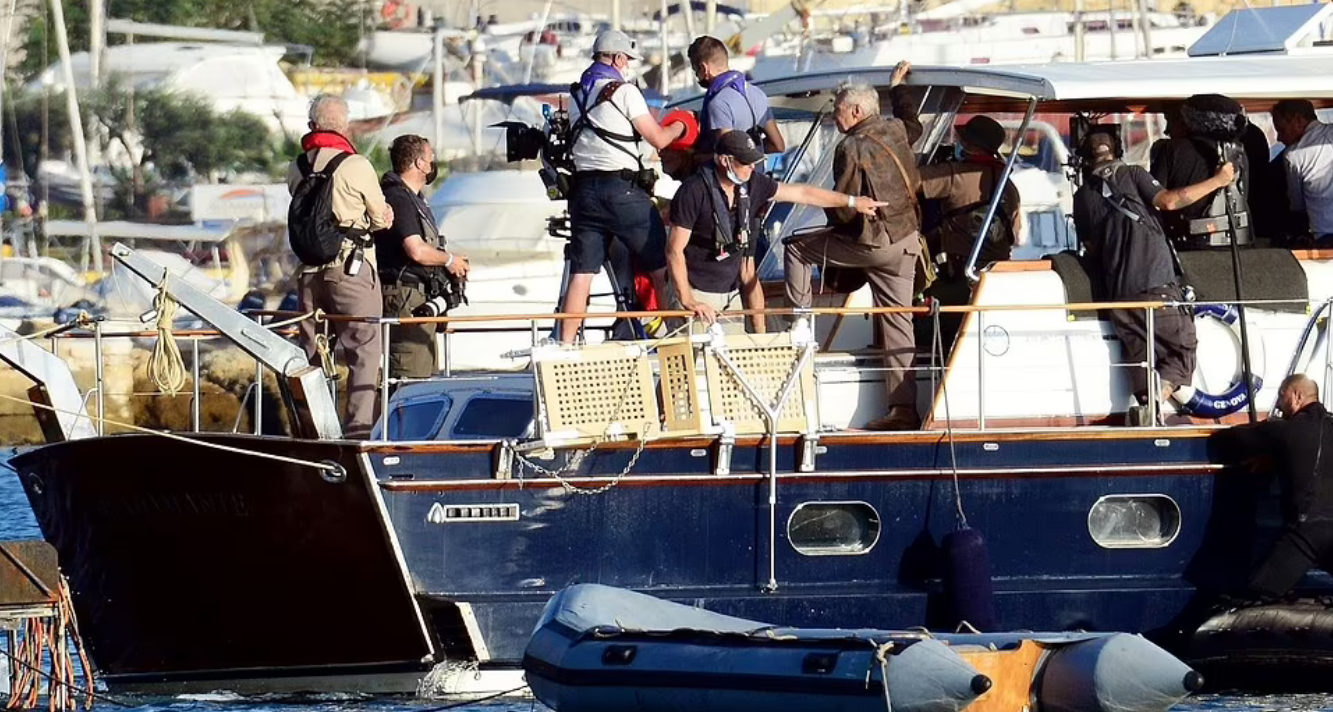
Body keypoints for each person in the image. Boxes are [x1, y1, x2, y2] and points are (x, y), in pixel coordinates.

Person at [783, 61, 923, 431]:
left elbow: (844, 207)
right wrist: (898, 88)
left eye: (838, 110)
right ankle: (904, 410)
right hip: (907, 240)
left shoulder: (850, 147)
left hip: (874, 243)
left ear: (857, 111)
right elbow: (914, 124)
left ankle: (800, 325)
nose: (834, 116)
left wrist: (835, 230)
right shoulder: (895, 129)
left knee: (795, 248)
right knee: (898, 322)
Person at [1072, 128, 1236, 427]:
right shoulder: (1133, 174)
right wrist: (1219, 180)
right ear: (1117, 149)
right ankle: (1159, 397)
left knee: (1139, 356)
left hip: (1119, 295)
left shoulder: (1082, 197)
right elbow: (1169, 201)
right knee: (1181, 347)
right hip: (1155, 283)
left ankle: (1148, 406)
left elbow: (1091, 248)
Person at [667, 130, 886, 334]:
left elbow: (803, 193)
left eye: (754, 162)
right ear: (725, 161)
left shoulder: (753, 184)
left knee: (730, 358)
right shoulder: (693, 191)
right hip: (695, 291)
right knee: (696, 360)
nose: (751, 168)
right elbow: (674, 251)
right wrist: (688, 300)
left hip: (730, 294)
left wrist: (852, 202)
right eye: (745, 163)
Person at [557, 29, 688, 345]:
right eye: (627, 59)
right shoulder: (625, 91)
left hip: (583, 193)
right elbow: (658, 139)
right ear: (616, 58)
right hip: (622, 190)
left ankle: (564, 346)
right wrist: (681, 126)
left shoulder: (576, 95)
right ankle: (675, 339)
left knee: (581, 276)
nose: (628, 65)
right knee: (660, 266)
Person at [287, 94, 393, 438]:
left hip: (307, 273)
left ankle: (314, 431)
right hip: (350, 268)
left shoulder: (297, 167)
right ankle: (359, 432)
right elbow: (380, 218)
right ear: (345, 127)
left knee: (312, 355)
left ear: (312, 126)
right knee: (364, 350)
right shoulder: (356, 165)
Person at [1212, 374, 1333, 600]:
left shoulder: (1287, 430)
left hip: (1305, 534)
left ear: (1297, 396)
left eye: (1281, 395)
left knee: (1256, 594)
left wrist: (1272, 453)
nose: (1278, 403)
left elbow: (1230, 439)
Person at [373, 134, 469, 384]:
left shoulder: (413, 199)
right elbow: (416, 250)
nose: (433, 164)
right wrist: (450, 261)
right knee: (410, 377)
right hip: (406, 298)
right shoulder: (398, 198)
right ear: (419, 163)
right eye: (430, 159)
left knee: (425, 376)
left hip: (420, 297)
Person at [918, 114, 1024, 291]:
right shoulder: (1008, 184)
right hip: (998, 273)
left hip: (960, 274)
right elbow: (1015, 230)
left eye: (962, 140)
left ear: (968, 144)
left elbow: (909, 181)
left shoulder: (954, 174)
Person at [1149, 93, 1253, 250]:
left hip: (1185, 248)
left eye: (1172, 121)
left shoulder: (1172, 150)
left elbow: (1154, 201)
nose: (1167, 130)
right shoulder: (1239, 153)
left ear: (1187, 121)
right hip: (1236, 247)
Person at [687, 35, 786, 166]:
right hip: (758, 177)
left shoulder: (718, 103)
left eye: (696, 71)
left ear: (704, 68)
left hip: (731, 179)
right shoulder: (758, 94)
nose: (697, 77)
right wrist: (754, 150)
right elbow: (778, 145)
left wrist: (694, 157)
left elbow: (726, 158)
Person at [1272, 99, 1333, 243]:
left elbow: (1297, 205)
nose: (1279, 138)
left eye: (1281, 129)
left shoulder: (1294, 155)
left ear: (1298, 120)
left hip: (1326, 235)